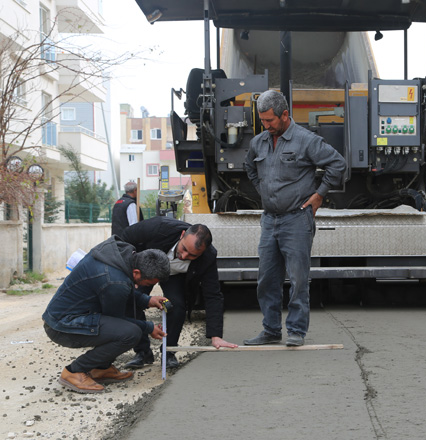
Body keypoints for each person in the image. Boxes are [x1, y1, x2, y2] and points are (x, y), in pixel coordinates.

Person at [243, 90, 346, 347]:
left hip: (297, 220)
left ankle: (297, 331)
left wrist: (319, 195)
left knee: (299, 278)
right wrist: (263, 190)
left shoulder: (306, 140)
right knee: (267, 279)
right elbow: (249, 167)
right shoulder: (259, 142)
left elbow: (338, 164)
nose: (266, 126)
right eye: (262, 121)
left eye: (270, 121)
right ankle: (270, 330)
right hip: (269, 220)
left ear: (285, 115)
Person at [43, 236, 170, 394]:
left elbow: (124, 289)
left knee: (126, 330)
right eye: (150, 284)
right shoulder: (114, 282)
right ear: (137, 272)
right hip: (62, 325)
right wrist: (149, 327)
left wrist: (147, 299)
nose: (150, 286)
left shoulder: (123, 256)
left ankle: (101, 368)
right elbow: (117, 320)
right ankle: (74, 371)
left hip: (68, 315)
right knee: (130, 333)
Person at [121, 216, 237, 369]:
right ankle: (142, 352)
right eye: (184, 249)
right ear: (182, 235)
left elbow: (213, 295)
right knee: (133, 301)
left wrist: (216, 336)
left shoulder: (208, 257)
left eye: (192, 256)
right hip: (148, 267)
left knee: (177, 307)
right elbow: (124, 238)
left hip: (174, 276)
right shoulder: (159, 228)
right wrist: (128, 273)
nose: (184, 257)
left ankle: (169, 351)